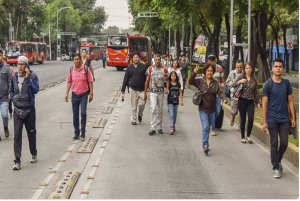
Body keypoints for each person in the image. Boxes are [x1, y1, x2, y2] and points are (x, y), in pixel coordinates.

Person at [262, 58, 295, 178]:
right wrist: (264, 121)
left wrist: (293, 118)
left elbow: (290, 101)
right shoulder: (268, 84)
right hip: (271, 119)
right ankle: (275, 167)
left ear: (283, 68)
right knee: (274, 143)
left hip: (284, 119)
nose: (278, 68)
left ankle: (278, 160)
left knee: (285, 143)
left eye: (280, 66)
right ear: (272, 68)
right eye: (276, 66)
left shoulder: (286, 84)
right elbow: (264, 103)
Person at [189, 63, 227, 155]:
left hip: (212, 109)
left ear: (213, 72)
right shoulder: (200, 81)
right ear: (205, 72)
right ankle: (205, 145)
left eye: (211, 71)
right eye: (208, 71)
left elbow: (220, 92)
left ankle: (206, 142)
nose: (209, 73)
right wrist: (194, 72)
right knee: (206, 127)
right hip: (203, 108)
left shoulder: (215, 83)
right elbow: (190, 81)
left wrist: (224, 98)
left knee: (208, 127)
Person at [10, 56, 39, 170]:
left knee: (31, 133)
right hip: (17, 110)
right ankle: (17, 161)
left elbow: (36, 90)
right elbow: (12, 89)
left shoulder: (33, 76)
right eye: (18, 64)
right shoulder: (14, 77)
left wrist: (28, 79)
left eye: (22, 64)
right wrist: (13, 98)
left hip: (29, 110)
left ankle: (33, 152)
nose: (20, 67)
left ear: (26, 66)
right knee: (17, 135)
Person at [65, 53, 93, 141]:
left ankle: (83, 132)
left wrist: (91, 93)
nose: (76, 61)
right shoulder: (71, 70)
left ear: (80, 60)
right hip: (74, 95)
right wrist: (66, 93)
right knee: (75, 115)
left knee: (83, 113)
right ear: (73, 60)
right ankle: (76, 133)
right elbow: (69, 82)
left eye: (77, 59)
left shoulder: (85, 69)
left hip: (84, 94)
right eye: (75, 59)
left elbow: (90, 81)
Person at [232, 62, 261, 143]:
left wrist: (258, 102)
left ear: (252, 69)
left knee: (251, 118)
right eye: (247, 68)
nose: (248, 70)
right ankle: (242, 136)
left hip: (250, 101)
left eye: (249, 68)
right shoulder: (241, 77)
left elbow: (256, 92)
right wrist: (239, 81)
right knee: (243, 118)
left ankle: (248, 135)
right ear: (244, 69)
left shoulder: (254, 79)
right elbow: (233, 85)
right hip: (242, 100)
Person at [144, 54, 169, 135]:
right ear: (154, 60)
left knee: (160, 110)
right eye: (156, 60)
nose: (157, 61)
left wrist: (167, 88)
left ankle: (159, 127)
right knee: (153, 108)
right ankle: (152, 127)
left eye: (159, 60)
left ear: (161, 60)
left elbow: (167, 79)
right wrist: (145, 92)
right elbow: (147, 81)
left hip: (161, 92)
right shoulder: (150, 69)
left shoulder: (164, 69)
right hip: (152, 92)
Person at [121, 53, 147, 125]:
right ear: (132, 59)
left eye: (137, 57)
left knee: (142, 104)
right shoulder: (129, 67)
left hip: (142, 89)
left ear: (139, 58)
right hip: (133, 89)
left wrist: (147, 87)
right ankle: (133, 120)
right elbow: (126, 78)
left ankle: (140, 114)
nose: (136, 59)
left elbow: (147, 78)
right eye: (134, 57)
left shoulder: (143, 67)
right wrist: (123, 89)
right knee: (133, 106)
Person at [207, 54, 224, 136]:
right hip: (209, 95)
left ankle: (210, 123)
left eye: (212, 61)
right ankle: (212, 128)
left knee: (217, 111)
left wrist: (222, 94)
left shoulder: (219, 68)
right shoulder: (206, 68)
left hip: (217, 94)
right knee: (211, 111)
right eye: (210, 61)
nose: (211, 63)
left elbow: (221, 82)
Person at [226, 60, 243, 128]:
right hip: (234, 94)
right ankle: (232, 116)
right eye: (238, 67)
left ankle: (240, 126)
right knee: (234, 111)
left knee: (242, 111)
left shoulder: (244, 74)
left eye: (240, 67)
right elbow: (227, 81)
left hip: (242, 94)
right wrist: (232, 84)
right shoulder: (232, 73)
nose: (239, 68)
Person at [0, 51, 12, 141]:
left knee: (4, 115)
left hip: (4, 96)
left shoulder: (7, 68)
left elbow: (10, 82)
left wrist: (10, 93)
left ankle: (5, 126)